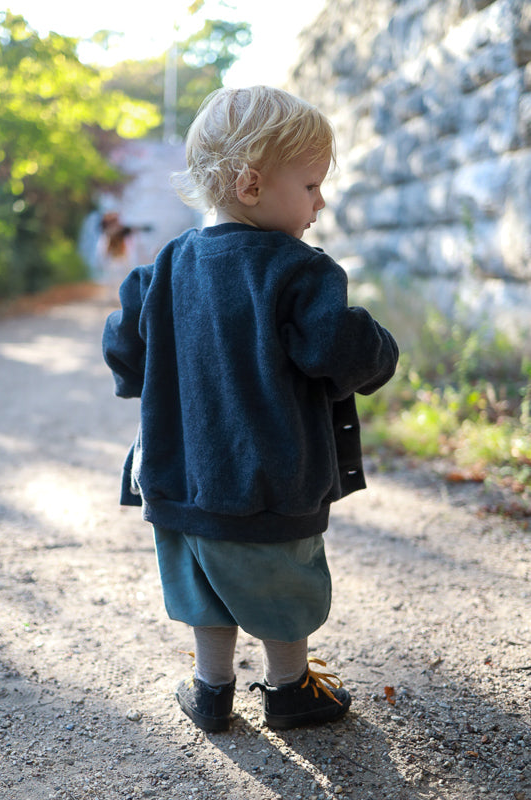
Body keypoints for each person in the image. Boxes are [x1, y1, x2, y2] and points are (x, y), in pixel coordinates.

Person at [103, 86, 399, 733]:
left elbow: (124, 342)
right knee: (280, 583)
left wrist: (141, 380)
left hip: (179, 475)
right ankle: (289, 687)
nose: (321, 204)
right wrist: (378, 350)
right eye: (313, 186)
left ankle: (211, 691)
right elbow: (337, 345)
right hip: (267, 478)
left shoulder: (166, 265)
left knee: (200, 583)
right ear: (252, 184)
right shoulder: (296, 271)